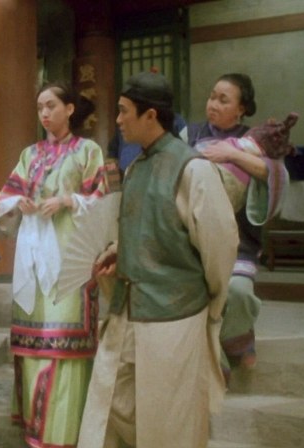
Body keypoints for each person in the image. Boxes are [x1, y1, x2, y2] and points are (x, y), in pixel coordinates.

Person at [77, 71, 238, 447]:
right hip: (129, 307)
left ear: (150, 115)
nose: (118, 120)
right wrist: (121, 251)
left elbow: (220, 246)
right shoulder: (136, 167)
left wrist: (211, 303)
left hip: (176, 314)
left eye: (124, 111)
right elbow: (144, 228)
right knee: (112, 403)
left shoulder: (193, 169)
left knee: (169, 420)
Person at [0, 81, 109, 448]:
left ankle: (64, 435)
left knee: (65, 344)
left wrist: (67, 201)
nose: (44, 113)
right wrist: (20, 205)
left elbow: (102, 199)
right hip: (34, 258)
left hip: (72, 260)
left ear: (69, 109)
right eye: (40, 107)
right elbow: (8, 194)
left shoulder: (87, 151)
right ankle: (36, 430)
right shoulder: (30, 154)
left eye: (51, 106)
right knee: (34, 341)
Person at [187, 74, 289, 376]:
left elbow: (275, 174)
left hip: (238, 239)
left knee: (239, 293)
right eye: (212, 96)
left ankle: (235, 339)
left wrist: (232, 153)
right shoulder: (190, 134)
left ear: (241, 109)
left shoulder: (255, 139)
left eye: (223, 100)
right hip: (195, 239)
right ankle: (215, 355)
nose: (213, 104)